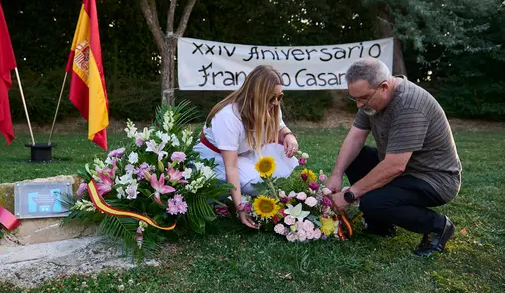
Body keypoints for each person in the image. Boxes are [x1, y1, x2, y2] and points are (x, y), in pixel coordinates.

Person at [327, 58, 462, 256]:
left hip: (433, 179)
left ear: (383, 87)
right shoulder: (370, 100)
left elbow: (395, 166)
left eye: (363, 98)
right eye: (354, 98)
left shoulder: (409, 105)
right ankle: (381, 223)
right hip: (402, 170)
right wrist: (336, 175)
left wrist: (349, 195)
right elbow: (355, 138)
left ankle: (438, 226)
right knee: (358, 156)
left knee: (372, 202)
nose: (358, 105)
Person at [193, 65, 300, 230]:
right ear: (256, 95)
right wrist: (240, 208)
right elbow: (232, 167)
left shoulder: (271, 107)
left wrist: (288, 135)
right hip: (213, 159)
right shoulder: (229, 116)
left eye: (280, 96)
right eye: (272, 97)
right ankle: (218, 199)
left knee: (282, 166)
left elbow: (280, 127)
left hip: (243, 153)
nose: (276, 102)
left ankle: (229, 197)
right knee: (255, 182)